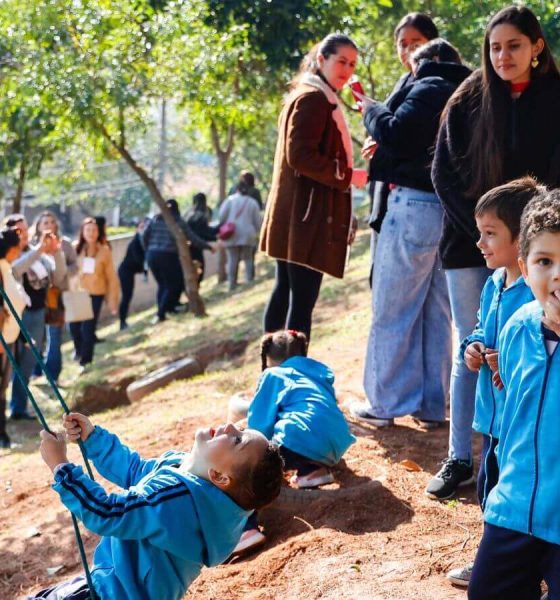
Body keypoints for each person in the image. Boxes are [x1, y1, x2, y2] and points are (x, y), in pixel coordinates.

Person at [428, 4, 560, 500]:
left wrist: (530, 245)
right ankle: (461, 456)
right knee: (475, 346)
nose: (503, 55)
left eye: (514, 45)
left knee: (539, 345)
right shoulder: (468, 98)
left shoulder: (555, 97)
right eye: (495, 46)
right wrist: (492, 240)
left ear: (537, 47)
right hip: (471, 244)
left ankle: (532, 456)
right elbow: (442, 174)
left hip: (545, 250)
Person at [30, 411, 284, 600]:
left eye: (237, 440)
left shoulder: (178, 501)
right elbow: (135, 470)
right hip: (106, 585)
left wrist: (61, 466)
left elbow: (107, 512)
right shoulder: (186, 471)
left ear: (219, 476)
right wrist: (93, 438)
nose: (230, 426)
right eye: (240, 429)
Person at [350, 39, 471, 428]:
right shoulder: (470, 90)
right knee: (436, 311)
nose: (411, 71)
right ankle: (433, 405)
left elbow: (398, 132)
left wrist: (372, 111)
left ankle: (384, 402)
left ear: (433, 60)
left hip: (412, 207)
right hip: (447, 210)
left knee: (393, 308)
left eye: (415, 62)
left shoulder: (431, 85)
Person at [443, 178, 540, 587]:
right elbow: (481, 329)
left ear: (521, 239)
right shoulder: (494, 284)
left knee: (515, 497)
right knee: (489, 492)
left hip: (524, 424)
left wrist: (511, 360)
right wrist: (474, 346)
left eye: (489, 234)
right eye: (479, 232)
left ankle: (518, 567)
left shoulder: (536, 295)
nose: (479, 243)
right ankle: (492, 558)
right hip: (492, 421)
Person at [468, 190, 560, 600]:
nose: (556, 275)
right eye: (545, 262)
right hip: (513, 508)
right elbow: (511, 415)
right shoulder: (517, 330)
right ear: (525, 267)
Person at [260, 33, 368, 341]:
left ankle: (272, 373)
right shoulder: (314, 99)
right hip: (307, 218)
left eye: (352, 64)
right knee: (300, 301)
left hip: (298, 215)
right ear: (322, 60)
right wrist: (348, 176)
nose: (347, 70)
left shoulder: (313, 94)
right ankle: (291, 377)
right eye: (341, 61)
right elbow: (301, 156)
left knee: (287, 292)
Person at [235, 329, 356, 554]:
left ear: (269, 360)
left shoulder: (273, 375)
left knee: (245, 468)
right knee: (302, 434)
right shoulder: (317, 374)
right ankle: (313, 470)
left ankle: (245, 529)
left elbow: (258, 427)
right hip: (336, 442)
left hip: (300, 436)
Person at [365, 12, 439, 242]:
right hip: (390, 195)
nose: (408, 50)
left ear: (432, 43)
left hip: (420, 198)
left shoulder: (434, 83)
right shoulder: (403, 82)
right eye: (402, 44)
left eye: (415, 43)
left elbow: (408, 136)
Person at [6, 214, 67, 419]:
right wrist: (40, 249)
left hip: (39, 313)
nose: (23, 234)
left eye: (25, 229)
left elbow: (58, 277)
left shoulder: (36, 253)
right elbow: (16, 270)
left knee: (29, 362)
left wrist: (56, 252)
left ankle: (18, 407)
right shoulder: (10, 256)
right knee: (18, 364)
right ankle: (16, 408)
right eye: (18, 230)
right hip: (20, 316)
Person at [143, 199, 216, 324]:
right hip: (168, 255)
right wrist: (208, 246)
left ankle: (167, 309)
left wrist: (149, 249)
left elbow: (145, 236)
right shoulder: (176, 221)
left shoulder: (155, 220)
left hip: (152, 255)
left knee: (163, 285)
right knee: (173, 284)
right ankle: (161, 313)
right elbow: (192, 237)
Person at [30, 211, 78, 382]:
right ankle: (36, 370)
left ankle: (53, 374)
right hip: (37, 298)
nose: (49, 225)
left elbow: (75, 265)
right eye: (45, 223)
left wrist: (64, 273)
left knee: (55, 335)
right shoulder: (33, 246)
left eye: (51, 222)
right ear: (38, 226)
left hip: (59, 296)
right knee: (36, 337)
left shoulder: (65, 244)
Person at [70, 217, 119, 372]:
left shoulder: (104, 251)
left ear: (99, 232)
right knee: (74, 328)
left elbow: (111, 277)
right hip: (77, 293)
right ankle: (79, 351)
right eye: (88, 230)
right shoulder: (75, 248)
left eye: (94, 230)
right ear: (83, 232)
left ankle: (86, 361)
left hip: (95, 293)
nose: (91, 233)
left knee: (88, 328)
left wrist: (112, 299)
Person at [0, 228, 27, 448]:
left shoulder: (7, 269)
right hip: (1, 342)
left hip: (10, 338)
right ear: (10, 249)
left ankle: (2, 433)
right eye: (17, 245)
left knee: (2, 389)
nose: (20, 249)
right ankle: (2, 435)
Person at [219, 180, 262, 291]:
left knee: (232, 259)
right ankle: (249, 280)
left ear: (236, 189)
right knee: (248, 258)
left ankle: (232, 283)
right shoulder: (252, 202)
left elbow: (221, 216)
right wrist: (258, 232)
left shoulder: (230, 200)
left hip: (232, 233)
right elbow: (258, 221)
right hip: (248, 233)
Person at [117, 217, 149, 331]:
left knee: (128, 296)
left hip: (132, 271)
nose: (144, 229)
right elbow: (138, 259)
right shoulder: (136, 242)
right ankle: (122, 322)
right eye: (142, 226)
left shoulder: (144, 241)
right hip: (125, 271)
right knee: (126, 296)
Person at [186, 193, 219, 283]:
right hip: (195, 246)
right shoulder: (201, 215)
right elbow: (203, 232)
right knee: (199, 270)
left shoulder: (189, 214)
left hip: (188, 246)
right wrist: (215, 236)